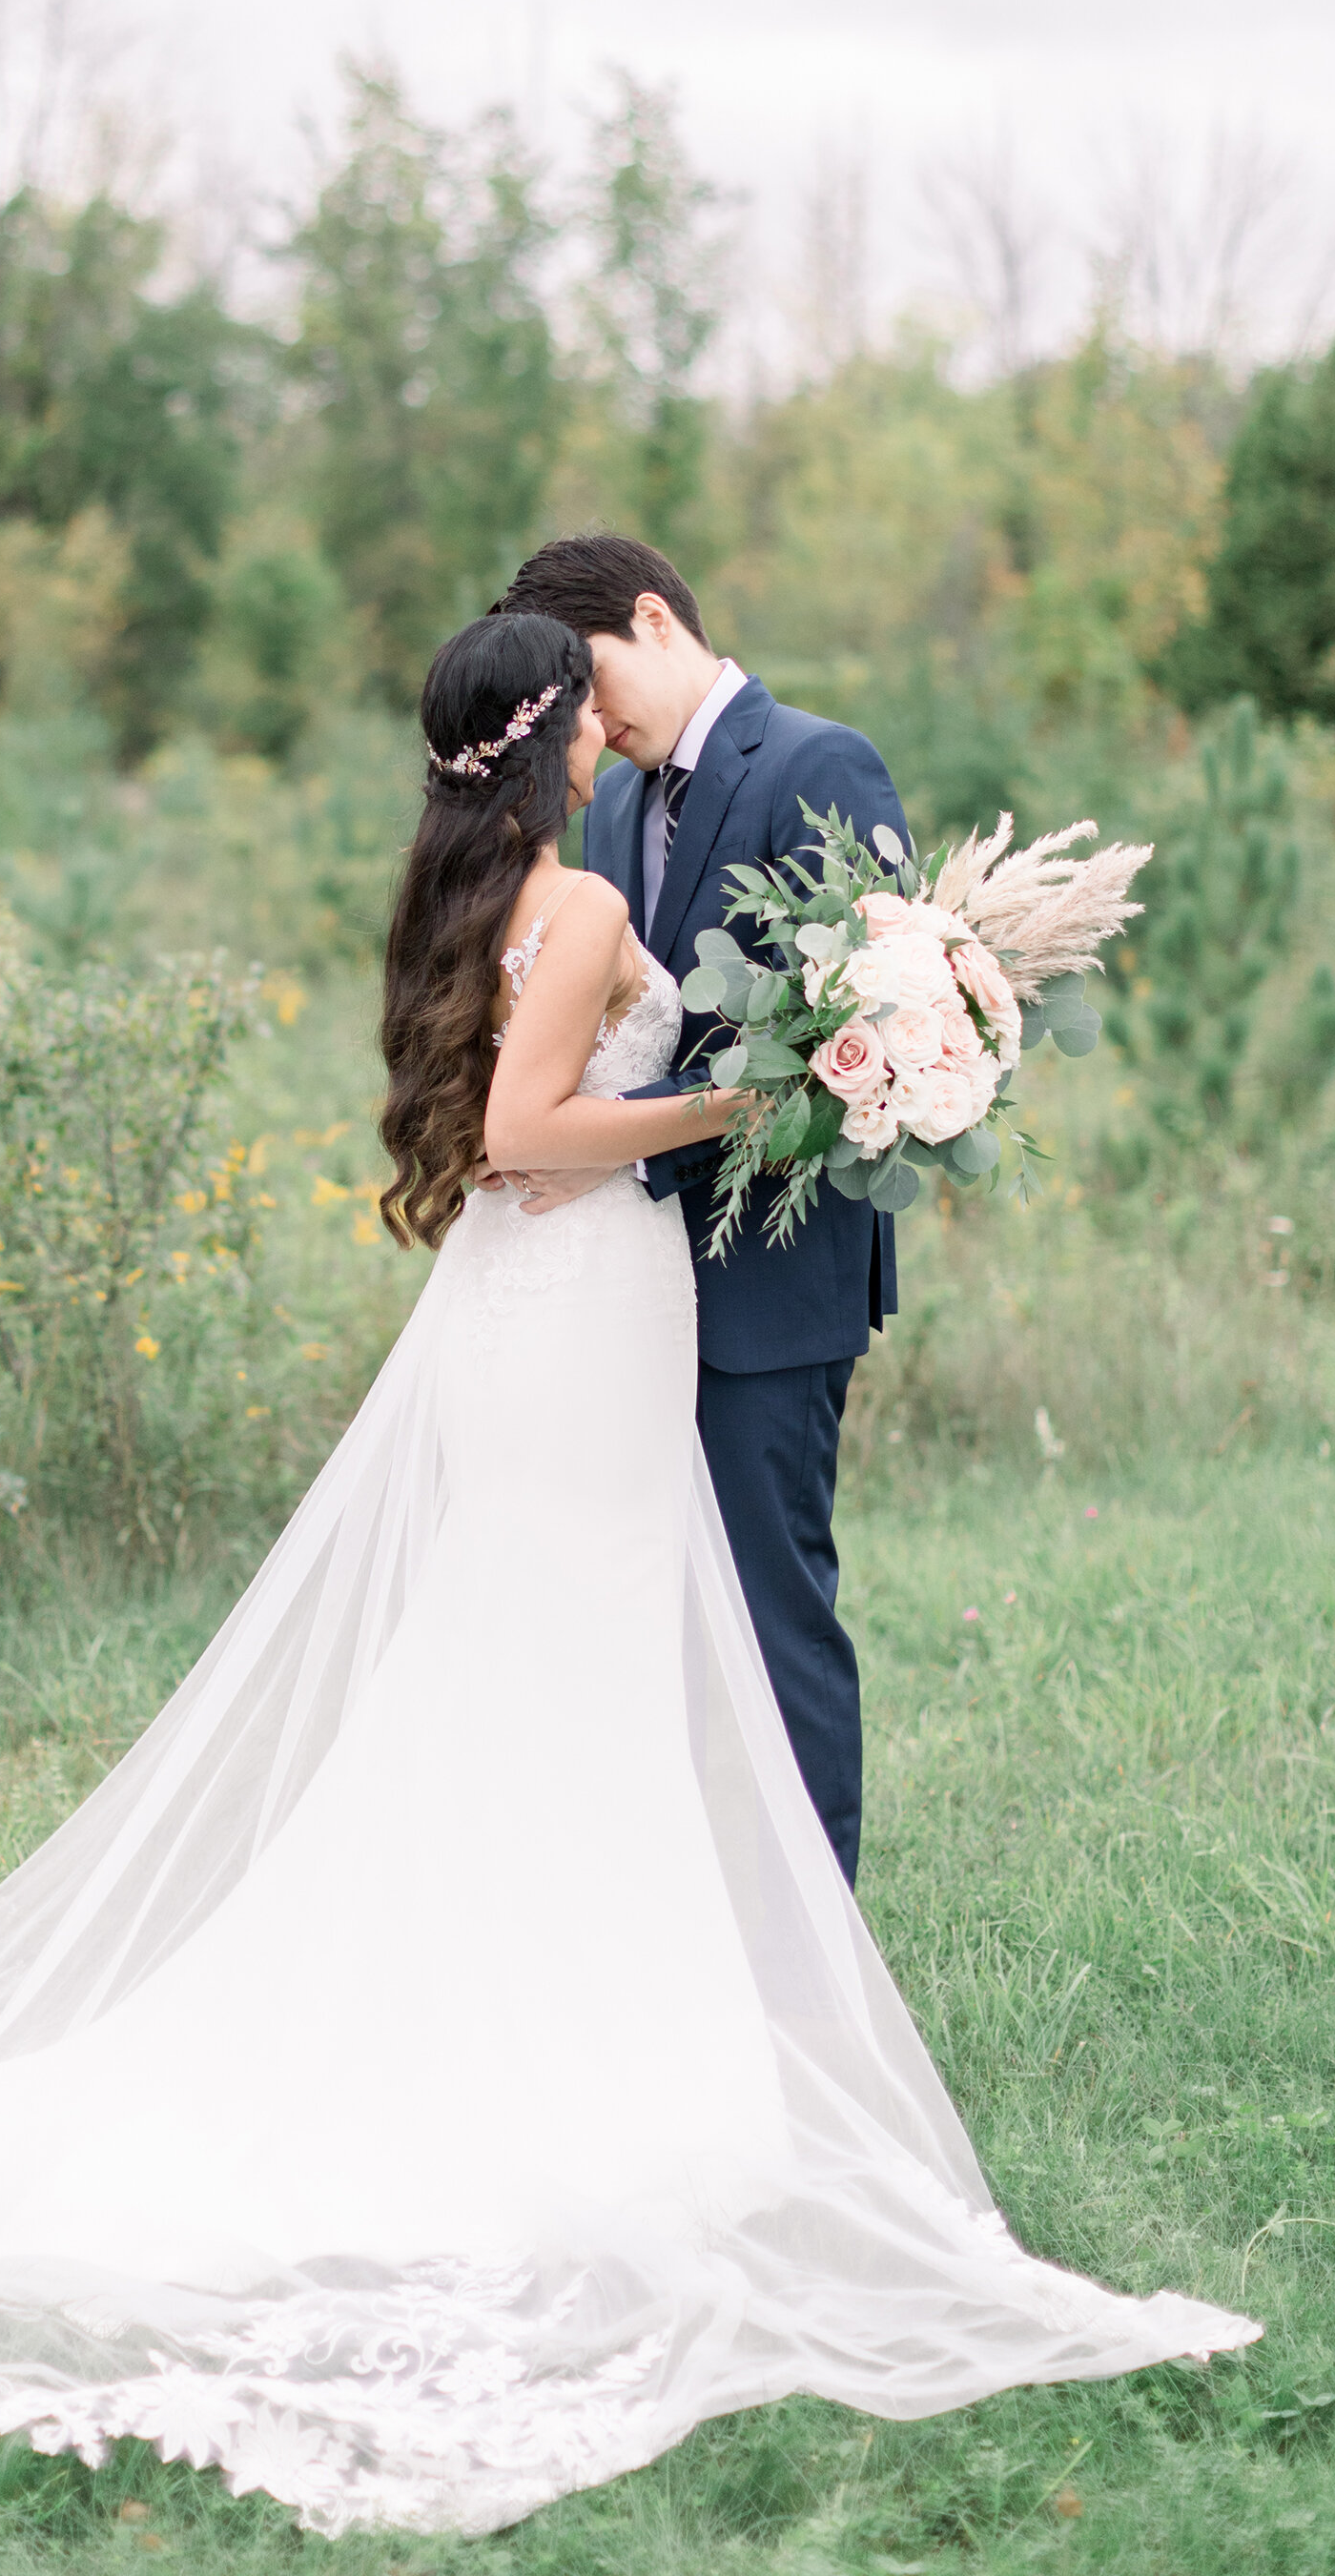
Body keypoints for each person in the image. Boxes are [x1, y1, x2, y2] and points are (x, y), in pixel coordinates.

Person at [0, 613, 1254, 2545]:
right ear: (553, 740)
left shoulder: (471, 901)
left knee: (534, 1670)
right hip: (582, 1305)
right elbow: (532, 1141)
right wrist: (750, 1099)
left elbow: (489, 1128)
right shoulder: (586, 907)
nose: (613, 730)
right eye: (587, 711)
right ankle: (577, 2061)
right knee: (569, 1664)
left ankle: (596, 2020)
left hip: (535, 1331)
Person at [496, 534, 897, 1882]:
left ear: (654, 618)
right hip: (633, 1286)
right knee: (651, 1614)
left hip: (773, 1286)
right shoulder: (612, 810)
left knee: (774, 1623)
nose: (591, 725)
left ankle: (817, 1954)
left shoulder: (816, 766)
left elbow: (851, 1049)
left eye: (596, 682)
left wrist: (608, 1155)